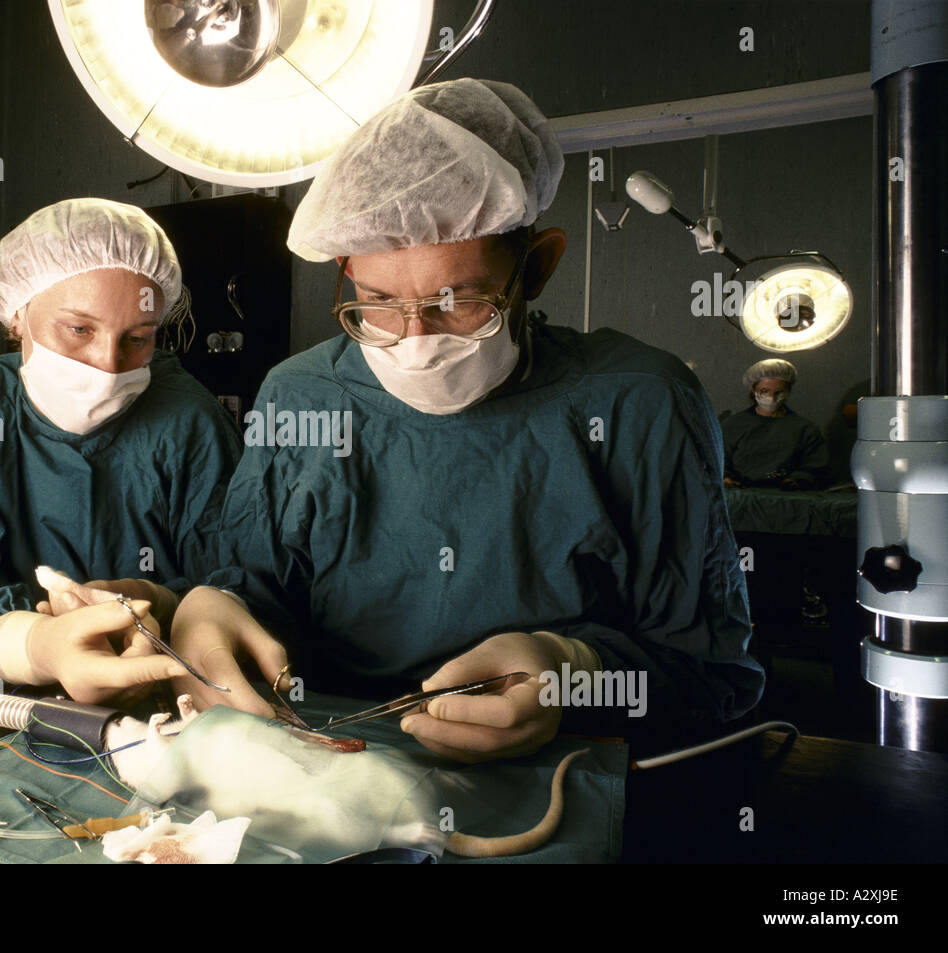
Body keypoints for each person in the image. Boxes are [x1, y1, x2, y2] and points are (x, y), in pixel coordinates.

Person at [169, 79, 765, 760]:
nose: (416, 339)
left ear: (535, 269)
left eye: (463, 302)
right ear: (345, 269)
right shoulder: (299, 396)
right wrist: (213, 610)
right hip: (335, 768)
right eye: (377, 300)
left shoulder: (640, 403)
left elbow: (714, 676)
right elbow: (253, 589)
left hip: (555, 780)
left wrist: (576, 673)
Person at [0, 199, 242, 705]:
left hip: (165, 695)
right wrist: (36, 644)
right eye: (78, 330)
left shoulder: (188, 415)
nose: (106, 364)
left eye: (138, 339)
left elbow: (240, 583)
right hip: (16, 706)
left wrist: (156, 603)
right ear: (17, 315)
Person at [722, 359, 830, 489]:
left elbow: (816, 465)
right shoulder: (733, 425)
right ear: (753, 390)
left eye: (779, 392)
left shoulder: (804, 429)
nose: (771, 398)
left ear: (788, 391)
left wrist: (799, 480)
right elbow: (718, 460)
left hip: (788, 497)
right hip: (742, 495)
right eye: (764, 391)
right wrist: (725, 478)